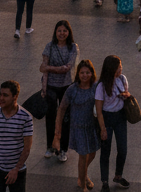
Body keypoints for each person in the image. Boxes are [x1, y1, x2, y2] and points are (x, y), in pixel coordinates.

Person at [54, 59, 101, 191]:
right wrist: (58, 128)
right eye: (82, 73)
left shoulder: (95, 87)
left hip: (91, 126)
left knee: (92, 152)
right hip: (78, 127)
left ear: (92, 73)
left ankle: (83, 174)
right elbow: (62, 108)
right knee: (83, 154)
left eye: (87, 72)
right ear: (78, 74)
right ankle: (83, 184)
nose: (85, 75)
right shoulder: (72, 89)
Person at [0, 80, 35, 192]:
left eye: (5, 95)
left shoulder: (25, 117)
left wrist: (16, 168)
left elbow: (27, 148)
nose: (1, 98)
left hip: (17, 171)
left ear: (15, 97)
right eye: (0, 94)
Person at [42, 20, 78, 161]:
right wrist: (44, 88)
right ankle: (50, 147)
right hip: (51, 86)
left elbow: (68, 67)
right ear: (55, 32)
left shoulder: (73, 48)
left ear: (69, 32)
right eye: (59, 31)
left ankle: (63, 149)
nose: (62, 33)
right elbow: (44, 70)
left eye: (64, 31)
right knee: (50, 117)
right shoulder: (49, 47)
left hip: (66, 87)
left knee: (65, 119)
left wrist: (51, 68)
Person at [95, 54, 132, 191]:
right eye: (118, 68)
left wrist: (126, 95)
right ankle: (104, 181)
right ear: (110, 69)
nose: (120, 70)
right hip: (107, 118)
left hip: (120, 117)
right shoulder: (101, 86)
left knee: (123, 149)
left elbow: (127, 94)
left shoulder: (122, 79)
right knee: (106, 151)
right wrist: (102, 128)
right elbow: (99, 111)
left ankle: (118, 175)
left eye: (120, 66)